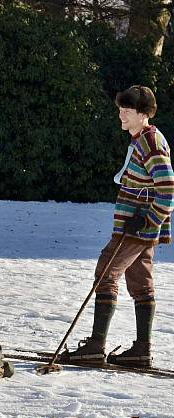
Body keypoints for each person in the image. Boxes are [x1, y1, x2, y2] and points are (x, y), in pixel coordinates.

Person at [64, 85, 173, 368]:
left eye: (126, 110)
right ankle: (141, 350)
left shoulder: (149, 141)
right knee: (140, 281)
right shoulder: (142, 139)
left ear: (143, 113)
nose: (121, 115)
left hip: (137, 227)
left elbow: (167, 186)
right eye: (120, 110)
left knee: (106, 273)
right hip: (137, 225)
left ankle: (95, 347)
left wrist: (149, 219)